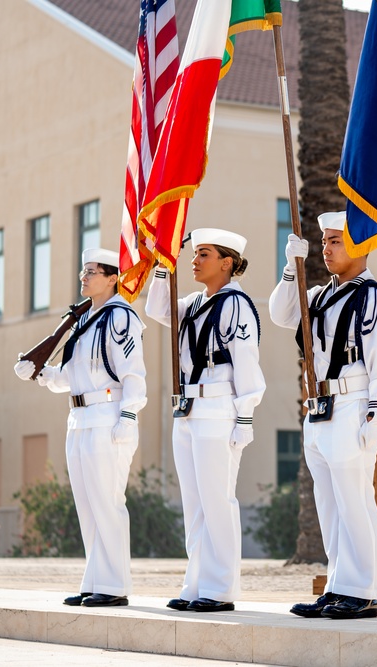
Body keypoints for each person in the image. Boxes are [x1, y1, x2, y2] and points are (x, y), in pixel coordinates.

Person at [270, 211, 377, 620]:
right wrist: (291, 270)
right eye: (324, 241)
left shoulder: (373, 295)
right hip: (319, 406)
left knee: (354, 500)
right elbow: (281, 313)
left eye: (335, 241)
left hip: (352, 404)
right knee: (329, 505)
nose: (325, 249)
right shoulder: (319, 295)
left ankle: (362, 591)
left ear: (359, 245)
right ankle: (339, 584)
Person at [13, 248, 147, 608]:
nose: (83, 277)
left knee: (107, 502)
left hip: (107, 417)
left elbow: (134, 375)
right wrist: (40, 372)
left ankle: (114, 585)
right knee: (87, 506)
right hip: (79, 418)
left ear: (112, 277)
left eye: (91, 271)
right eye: (83, 271)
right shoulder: (84, 321)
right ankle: (96, 580)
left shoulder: (121, 318)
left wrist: (129, 417)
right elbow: (69, 378)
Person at [145, 228, 265, 613]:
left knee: (217, 501)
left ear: (227, 263)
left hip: (218, 409)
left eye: (204, 254)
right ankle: (196, 583)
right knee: (194, 504)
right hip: (188, 411)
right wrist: (165, 263)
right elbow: (158, 309)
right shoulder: (196, 302)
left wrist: (244, 416)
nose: (194, 261)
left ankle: (220, 589)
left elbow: (246, 363)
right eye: (194, 254)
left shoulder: (236, 305)